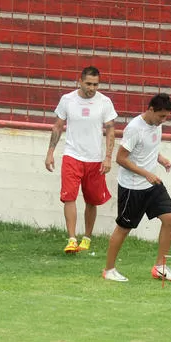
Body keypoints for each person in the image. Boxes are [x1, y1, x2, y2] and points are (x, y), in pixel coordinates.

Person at [103, 94, 171, 282]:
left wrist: (160, 159)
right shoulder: (135, 129)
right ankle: (109, 270)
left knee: (170, 219)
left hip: (152, 184)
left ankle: (160, 267)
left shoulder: (156, 125)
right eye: (161, 116)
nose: (164, 120)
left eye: (166, 117)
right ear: (151, 110)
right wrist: (146, 173)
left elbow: (148, 148)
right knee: (124, 228)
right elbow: (121, 158)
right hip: (133, 187)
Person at [45, 66, 117, 254]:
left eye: (95, 84)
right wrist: (50, 152)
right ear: (80, 81)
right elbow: (58, 126)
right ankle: (71, 239)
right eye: (88, 84)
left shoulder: (104, 102)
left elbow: (110, 130)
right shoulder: (68, 100)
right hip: (72, 155)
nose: (92, 88)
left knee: (91, 200)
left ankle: (86, 237)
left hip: (94, 158)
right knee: (69, 197)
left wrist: (108, 158)